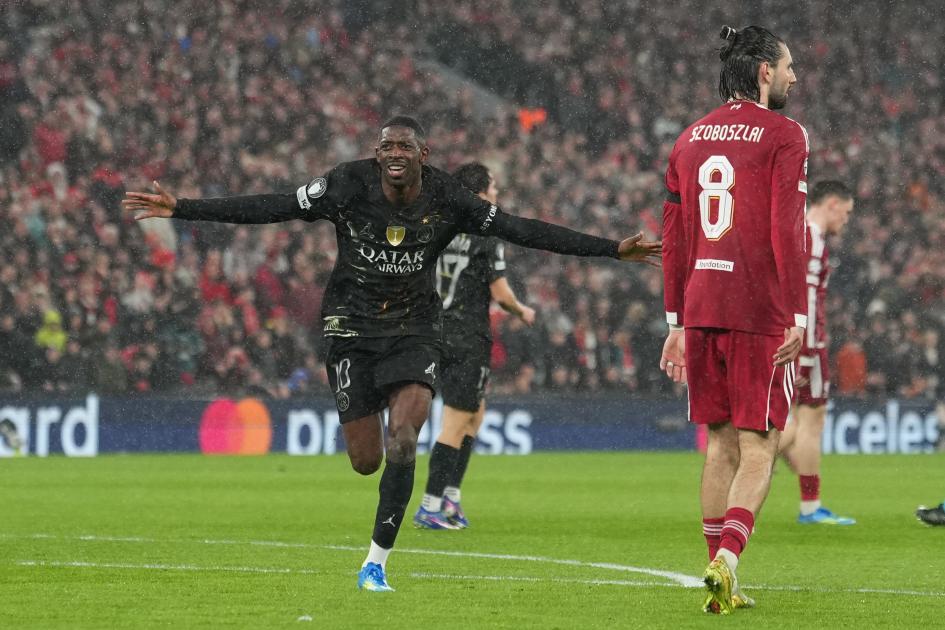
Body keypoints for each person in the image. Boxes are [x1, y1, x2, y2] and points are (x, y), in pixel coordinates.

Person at [123, 116, 660, 593]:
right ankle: (378, 421)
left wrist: (611, 249)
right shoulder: (345, 184)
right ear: (377, 154)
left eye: (405, 146)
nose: (395, 154)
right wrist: (184, 208)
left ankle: (375, 564)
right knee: (366, 461)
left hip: (414, 329)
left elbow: (522, 230)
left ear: (424, 155)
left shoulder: (449, 197)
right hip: (350, 327)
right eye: (387, 147)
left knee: (405, 437)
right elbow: (275, 206)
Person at [659, 26, 807, 614]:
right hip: (757, 308)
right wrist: (797, 313)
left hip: (701, 306)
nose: (794, 76)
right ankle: (727, 561)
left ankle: (717, 577)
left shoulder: (689, 137)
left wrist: (675, 320)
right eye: (788, 66)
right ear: (765, 72)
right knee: (760, 447)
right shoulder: (785, 134)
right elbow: (786, 227)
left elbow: (674, 237)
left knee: (719, 446)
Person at [413, 163, 536, 530]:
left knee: (474, 415)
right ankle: (431, 506)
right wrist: (521, 310)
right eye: (493, 186)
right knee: (455, 421)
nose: (497, 192)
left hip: (436, 331)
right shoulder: (486, 231)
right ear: (480, 193)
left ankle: (450, 498)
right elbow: (501, 293)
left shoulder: (439, 226)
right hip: (466, 336)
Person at [778, 181, 856, 525]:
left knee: (797, 418)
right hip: (807, 342)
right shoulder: (811, 236)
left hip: (797, 339)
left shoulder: (801, 233)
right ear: (832, 204)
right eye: (846, 213)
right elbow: (805, 297)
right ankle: (809, 506)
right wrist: (807, 350)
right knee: (811, 419)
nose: (846, 220)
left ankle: (747, 461)